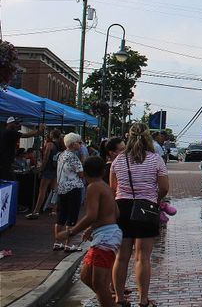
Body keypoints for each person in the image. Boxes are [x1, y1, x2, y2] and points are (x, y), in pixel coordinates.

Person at [110, 122, 169, 307]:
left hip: (122, 208)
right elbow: (164, 188)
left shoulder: (119, 160)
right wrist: (153, 198)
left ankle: (119, 297)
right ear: (148, 137)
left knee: (121, 256)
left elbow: (113, 188)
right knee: (142, 257)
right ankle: (143, 299)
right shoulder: (155, 159)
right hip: (146, 208)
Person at [58, 156, 122, 307]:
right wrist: (93, 227)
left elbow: (91, 215)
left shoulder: (93, 187)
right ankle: (107, 300)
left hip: (106, 237)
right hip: (108, 234)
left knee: (99, 283)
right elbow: (116, 213)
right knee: (86, 276)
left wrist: (71, 232)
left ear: (84, 173)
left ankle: (108, 301)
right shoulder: (104, 186)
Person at [53, 133, 85, 252]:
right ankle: (68, 243)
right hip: (73, 188)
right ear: (73, 144)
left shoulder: (61, 155)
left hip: (62, 188)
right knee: (72, 216)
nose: (81, 145)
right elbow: (81, 174)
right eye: (79, 142)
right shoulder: (73, 157)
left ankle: (57, 242)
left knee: (61, 216)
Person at [27, 129, 63, 219]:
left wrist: (41, 169)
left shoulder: (50, 145)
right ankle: (54, 210)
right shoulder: (61, 145)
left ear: (52, 135)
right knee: (54, 191)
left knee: (42, 191)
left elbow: (46, 158)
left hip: (48, 170)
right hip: (56, 170)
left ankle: (36, 211)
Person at [0, 117, 44, 181]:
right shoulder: (10, 132)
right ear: (10, 123)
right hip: (5, 163)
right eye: (16, 123)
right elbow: (27, 135)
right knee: (10, 181)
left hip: (5, 162)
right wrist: (39, 130)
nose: (18, 125)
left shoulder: (5, 131)